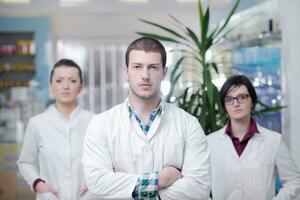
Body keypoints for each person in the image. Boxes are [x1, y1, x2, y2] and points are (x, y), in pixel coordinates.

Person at [82, 37, 210, 199]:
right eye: (137, 67)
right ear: (126, 72)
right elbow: (97, 183)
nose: (145, 75)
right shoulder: (101, 124)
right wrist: (161, 180)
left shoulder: (188, 124)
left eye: (153, 67)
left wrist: (126, 187)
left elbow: (199, 189)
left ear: (164, 72)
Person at [207, 74, 300, 200]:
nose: (236, 103)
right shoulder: (210, 142)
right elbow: (198, 183)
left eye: (242, 97)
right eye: (229, 99)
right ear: (224, 106)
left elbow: (294, 180)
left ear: (252, 102)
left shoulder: (273, 141)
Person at [17, 59, 95, 200]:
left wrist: (96, 181)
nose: (65, 86)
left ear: (81, 86)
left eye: (72, 81)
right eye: (59, 81)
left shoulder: (95, 121)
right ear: (51, 86)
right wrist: (38, 184)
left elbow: (108, 161)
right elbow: (26, 162)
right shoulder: (37, 123)